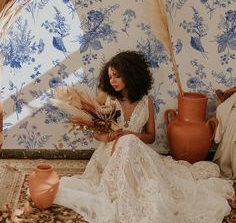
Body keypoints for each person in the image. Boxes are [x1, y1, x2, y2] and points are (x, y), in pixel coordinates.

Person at [54, 50, 235, 223]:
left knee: (130, 141)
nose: (113, 81)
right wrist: (107, 138)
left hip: (134, 148)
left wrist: (131, 134)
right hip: (110, 152)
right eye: (110, 77)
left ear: (131, 74)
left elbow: (151, 137)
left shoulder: (146, 100)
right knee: (126, 142)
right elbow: (95, 129)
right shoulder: (107, 96)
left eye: (117, 76)